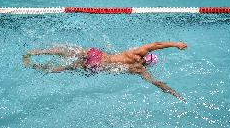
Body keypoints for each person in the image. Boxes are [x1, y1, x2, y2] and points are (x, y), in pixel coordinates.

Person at [23, 42, 187, 102]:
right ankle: (38, 68)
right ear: (148, 65)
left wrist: (176, 44)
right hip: (96, 67)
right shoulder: (139, 70)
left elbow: (156, 44)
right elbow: (157, 83)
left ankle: (35, 53)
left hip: (97, 55)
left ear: (146, 56)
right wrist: (174, 93)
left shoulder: (134, 53)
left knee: (67, 51)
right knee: (67, 68)